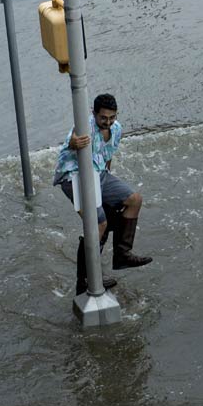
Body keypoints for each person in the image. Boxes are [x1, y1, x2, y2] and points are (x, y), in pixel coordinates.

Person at [52, 93, 152, 296]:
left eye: (111, 117)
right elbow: (70, 143)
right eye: (103, 118)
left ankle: (122, 254)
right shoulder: (85, 127)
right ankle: (86, 280)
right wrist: (73, 143)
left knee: (134, 200)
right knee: (99, 224)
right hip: (75, 176)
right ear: (94, 114)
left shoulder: (116, 129)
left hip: (99, 174)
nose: (107, 122)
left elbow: (108, 156)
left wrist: (108, 189)